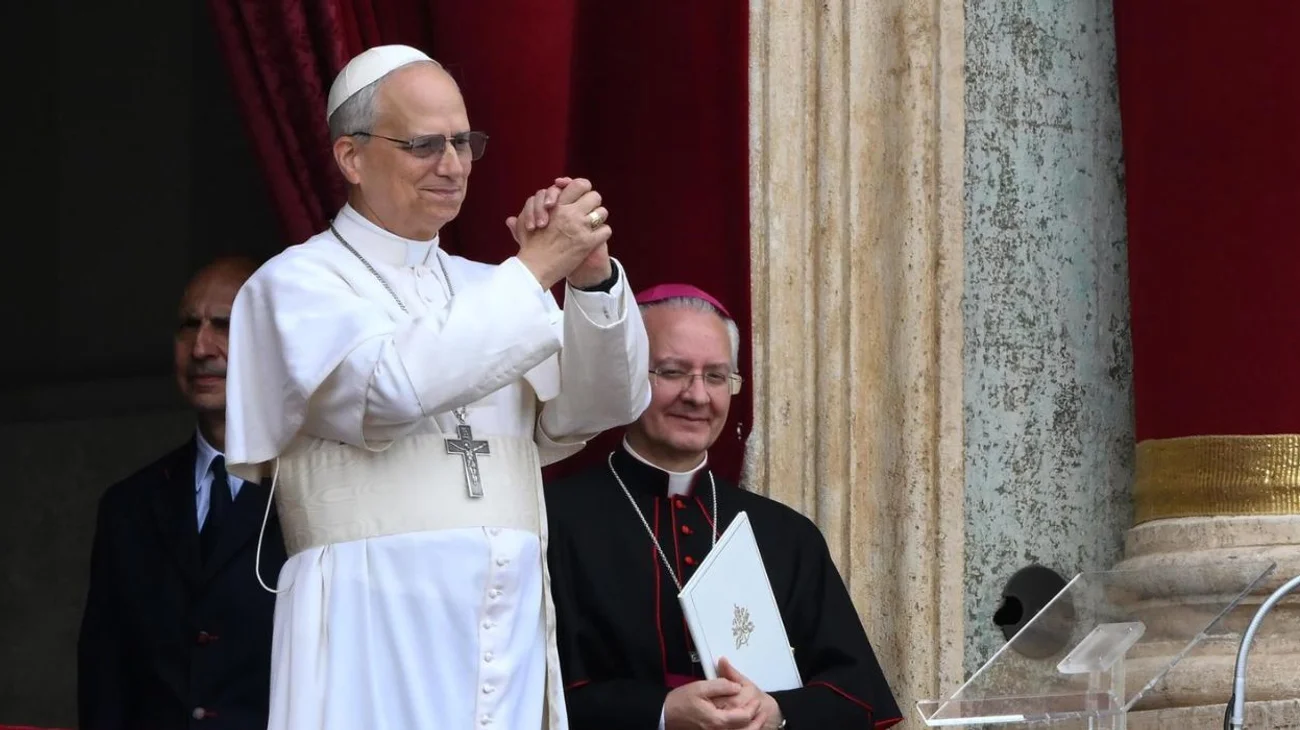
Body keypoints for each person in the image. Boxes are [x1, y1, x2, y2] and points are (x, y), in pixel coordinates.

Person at [222, 45, 650, 730]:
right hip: (370, 624)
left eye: (463, 142)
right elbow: (387, 390)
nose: (452, 166)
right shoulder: (294, 285)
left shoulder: (491, 287)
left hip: (503, 629)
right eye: (424, 144)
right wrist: (534, 268)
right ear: (351, 158)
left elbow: (601, 408)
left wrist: (589, 279)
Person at [543, 284, 903, 730]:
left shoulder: (787, 535)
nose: (697, 396)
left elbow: (855, 697)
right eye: (673, 372)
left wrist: (777, 712)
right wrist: (660, 712)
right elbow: (528, 694)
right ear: (629, 375)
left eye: (716, 377)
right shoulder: (554, 520)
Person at [77, 256, 288, 729]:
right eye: (188, 326)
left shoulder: (318, 494)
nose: (200, 348)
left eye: (226, 326)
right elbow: (105, 684)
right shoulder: (128, 508)